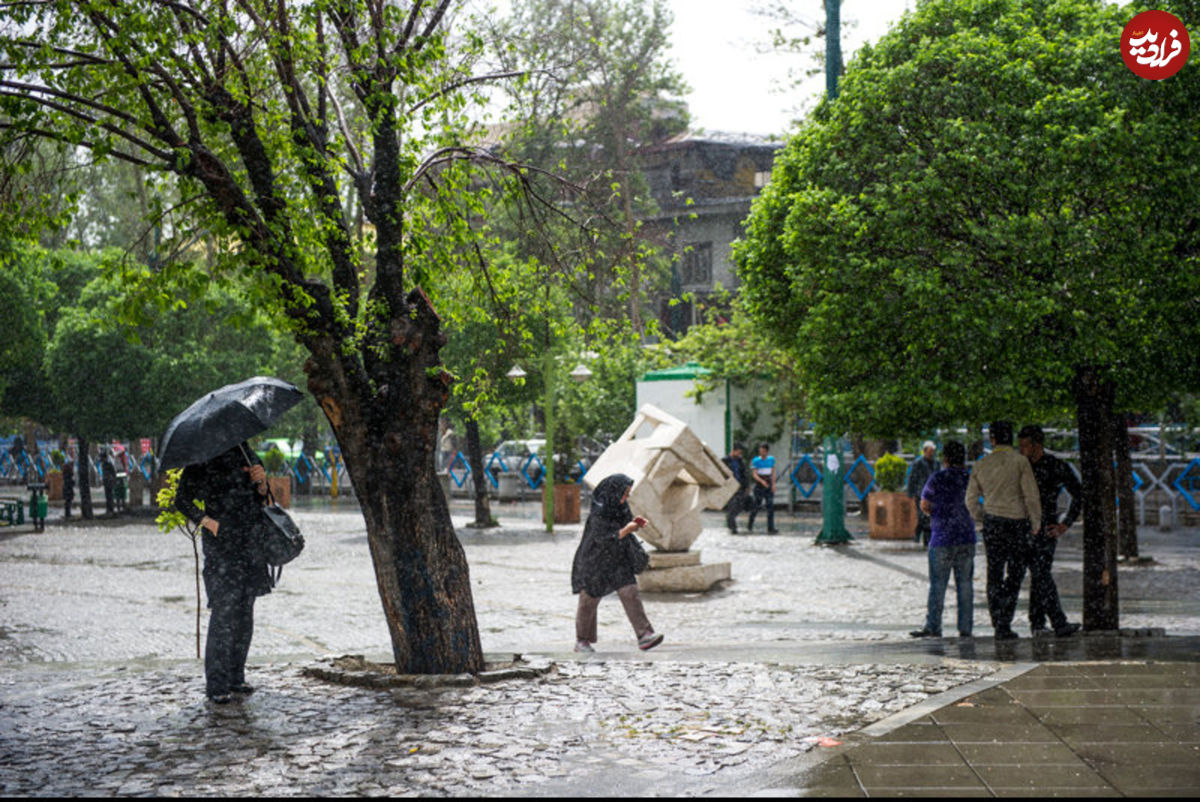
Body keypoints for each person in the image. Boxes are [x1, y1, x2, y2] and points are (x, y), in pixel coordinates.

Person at [174, 441, 272, 704]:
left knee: (245, 612)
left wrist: (262, 482)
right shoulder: (202, 457)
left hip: (250, 544)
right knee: (224, 613)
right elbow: (181, 499)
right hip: (221, 549)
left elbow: (262, 495)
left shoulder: (245, 450)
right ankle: (216, 684)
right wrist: (208, 522)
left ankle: (236, 676)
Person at [966, 421, 1041, 641]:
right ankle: (1005, 617)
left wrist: (981, 517)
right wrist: (1035, 522)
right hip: (1017, 523)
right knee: (1016, 573)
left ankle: (997, 620)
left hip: (993, 523)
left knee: (994, 572)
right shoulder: (1020, 462)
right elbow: (1031, 495)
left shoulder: (982, 464)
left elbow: (970, 499)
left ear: (993, 439)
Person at [571, 473, 663, 653]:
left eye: (627, 493)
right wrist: (628, 529)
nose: (625, 497)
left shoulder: (620, 507)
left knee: (630, 590)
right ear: (614, 492)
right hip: (595, 560)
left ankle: (644, 635)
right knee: (589, 599)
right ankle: (582, 640)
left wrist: (634, 523)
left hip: (617, 558)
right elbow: (604, 537)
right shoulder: (600, 510)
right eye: (624, 493)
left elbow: (624, 524)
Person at [1018, 424, 1083, 638]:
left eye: (1025, 446)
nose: (1021, 450)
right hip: (1023, 526)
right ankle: (1050, 622)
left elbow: (1078, 494)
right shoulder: (1020, 467)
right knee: (1040, 574)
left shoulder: (1055, 466)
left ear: (1037, 445)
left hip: (1046, 527)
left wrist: (1065, 524)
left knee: (1041, 574)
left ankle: (1044, 621)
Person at [910, 441, 976, 639]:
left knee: (938, 584)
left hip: (942, 537)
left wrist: (937, 512)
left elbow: (924, 504)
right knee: (965, 584)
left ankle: (934, 625)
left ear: (945, 458)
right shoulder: (969, 478)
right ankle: (965, 627)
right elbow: (977, 502)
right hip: (966, 536)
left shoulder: (937, 478)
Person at [907, 441, 939, 547]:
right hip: (920, 492)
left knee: (929, 516)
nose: (931, 454)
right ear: (924, 451)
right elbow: (912, 477)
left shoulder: (936, 463)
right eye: (930, 451)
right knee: (922, 516)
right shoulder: (918, 463)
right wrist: (911, 492)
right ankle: (921, 536)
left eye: (933, 452)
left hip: (933, 494)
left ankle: (923, 537)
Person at [747, 442, 779, 534]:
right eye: (760, 451)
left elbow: (773, 472)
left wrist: (773, 484)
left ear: (767, 451)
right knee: (756, 505)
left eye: (763, 451)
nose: (761, 453)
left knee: (770, 505)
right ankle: (750, 524)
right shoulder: (756, 460)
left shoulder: (771, 460)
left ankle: (771, 527)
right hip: (760, 483)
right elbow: (754, 474)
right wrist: (761, 481)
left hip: (768, 482)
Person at [722, 443, 750, 534]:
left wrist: (747, 486)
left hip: (740, 486)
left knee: (740, 505)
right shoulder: (725, 460)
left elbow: (744, 474)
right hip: (730, 487)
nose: (739, 454)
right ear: (734, 451)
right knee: (732, 505)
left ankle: (731, 522)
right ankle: (732, 527)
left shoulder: (740, 461)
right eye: (739, 452)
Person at [99, 447, 117, 516]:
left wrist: (114, 480)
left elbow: (113, 472)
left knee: (110, 496)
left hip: (109, 481)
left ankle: (111, 509)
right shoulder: (105, 463)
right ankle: (109, 509)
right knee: (108, 496)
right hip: (107, 480)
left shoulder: (108, 463)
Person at [61, 455, 75, 520]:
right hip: (68, 490)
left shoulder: (65, 475)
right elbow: (72, 483)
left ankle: (67, 513)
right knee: (68, 502)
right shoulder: (69, 474)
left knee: (67, 502)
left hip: (66, 490)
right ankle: (68, 514)